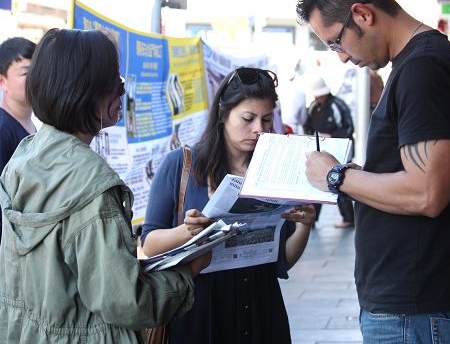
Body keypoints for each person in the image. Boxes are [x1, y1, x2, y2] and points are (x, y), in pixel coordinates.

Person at [297, 0, 450, 342]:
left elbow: (427, 193)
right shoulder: (416, 65)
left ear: (362, 15)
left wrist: (338, 177)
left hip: (414, 311)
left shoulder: (423, 69)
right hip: (409, 307)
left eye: (335, 43)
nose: (343, 57)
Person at [0, 28, 210, 343]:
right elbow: (125, 301)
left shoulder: (23, 159)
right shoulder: (93, 188)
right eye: (116, 83)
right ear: (88, 92)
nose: (122, 93)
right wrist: (187, 273)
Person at [141, 66, 315, 344]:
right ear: (223, 114)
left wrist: (305, 226)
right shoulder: (180, 165)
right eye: (248, 118)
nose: (259, 129)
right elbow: (149, 244)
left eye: (267, 119)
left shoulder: (272, 170)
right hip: (199, 313)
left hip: (261, 311)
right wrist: (189, 232)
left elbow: (279, 261)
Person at [303, 74, 355, 228]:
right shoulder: (313, 107)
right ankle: (313, 219)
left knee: (338, 182)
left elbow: (348, 128)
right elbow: (308, 126)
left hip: (339, 149)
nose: (317, 98)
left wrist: (332, 137)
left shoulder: (337, 105)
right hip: (320, 150)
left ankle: (348, 218)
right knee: (316, 182)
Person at [0, 37, 36, 242]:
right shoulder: (3, 129)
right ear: (2, 81)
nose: (33, 78)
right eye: (25, 72)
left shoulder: (35, 126)